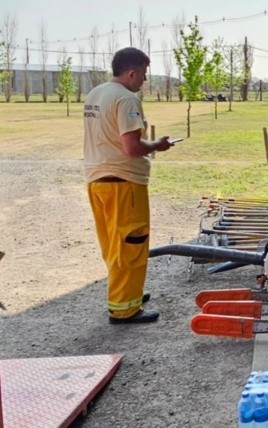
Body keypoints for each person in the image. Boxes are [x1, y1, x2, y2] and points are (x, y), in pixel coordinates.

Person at [83, 47, 174, 324]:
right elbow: (132, 147)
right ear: (132, 72)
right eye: (143, 75)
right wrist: (157, 145)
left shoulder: (96, 94)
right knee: (131, 244)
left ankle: (128, 293)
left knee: (113, 244)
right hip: (123, 183)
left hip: (97, 179)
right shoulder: (126, 98)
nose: (144, 81)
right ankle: (124, 309)